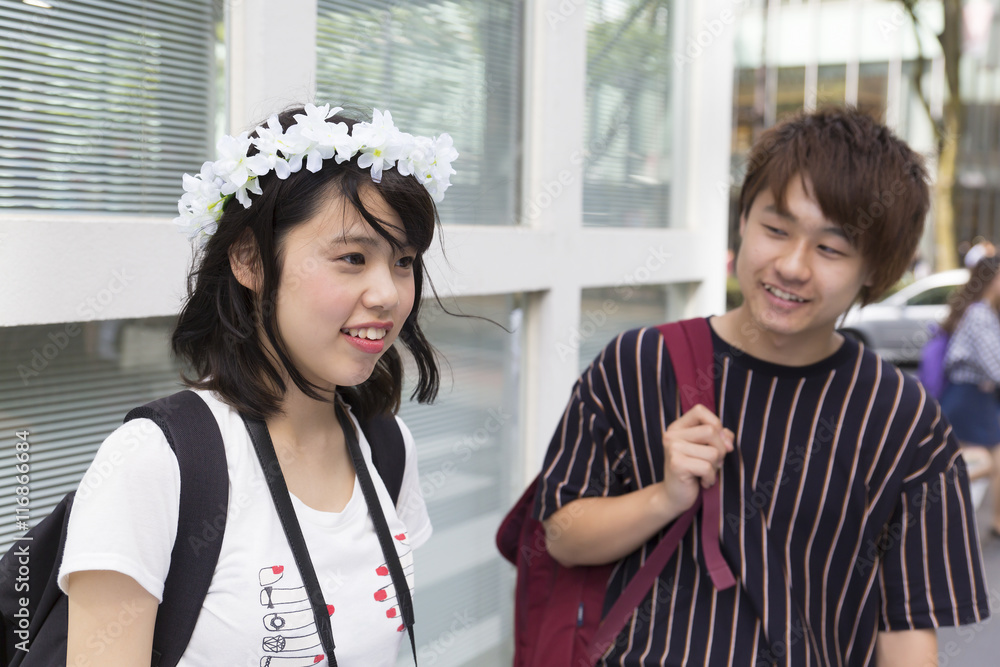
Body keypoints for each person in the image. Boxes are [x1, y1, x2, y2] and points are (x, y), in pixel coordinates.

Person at [536, 108, 990, 666]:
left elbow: (908, 627)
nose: (792, 265)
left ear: (876, 268)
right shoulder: (640, 362)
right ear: (743, 221)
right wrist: (664, 496)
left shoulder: (903, 419)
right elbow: (560, 535)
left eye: (830, 248)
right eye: (775, 229)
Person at [58, 104, 457, 666]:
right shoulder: (156, 462)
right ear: (249, 259)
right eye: (351, 257)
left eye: (403, 261)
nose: (388, 294)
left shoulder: (387, 449)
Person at [941, 256, 1000, 532]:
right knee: (975, 461)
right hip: (967, 398)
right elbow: (995, 365)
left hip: (979, 398)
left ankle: (990, 522)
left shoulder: (987, 312)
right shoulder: (979, 313)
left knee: (988, 459)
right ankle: (938, 505)